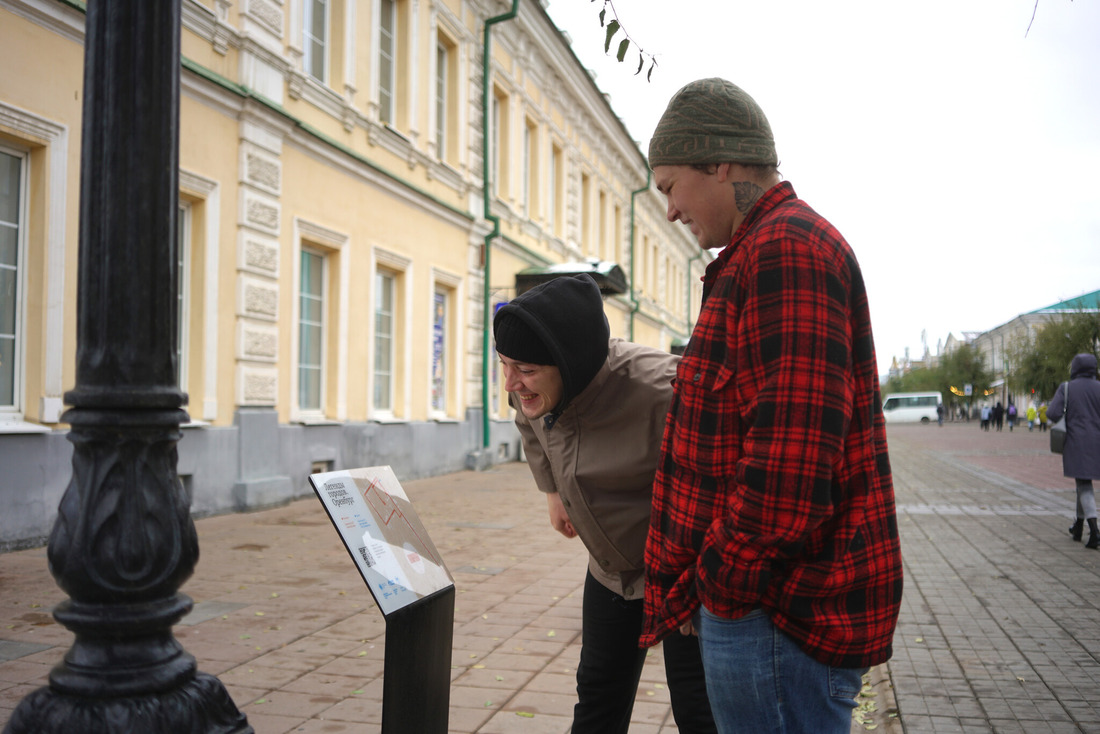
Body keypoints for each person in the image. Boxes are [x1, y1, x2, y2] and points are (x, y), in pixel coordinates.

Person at [640, 78, 903, 734]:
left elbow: (790, 467)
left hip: (779, 617)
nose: (670, 210)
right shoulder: (760, 251)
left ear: (720, 164)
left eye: (670, 186)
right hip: (768, 612)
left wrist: (720, 584)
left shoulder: (787, 250)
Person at [493, 274, 717, 734]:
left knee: (698, 709)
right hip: (611, 572)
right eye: (504, 365)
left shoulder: (667, 391)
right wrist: (553, 492)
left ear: (569, 362)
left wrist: (704, 576)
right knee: (598, 696)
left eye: (526, 369)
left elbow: (721, 485)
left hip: (681, 575)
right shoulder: (531, 391)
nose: (512, 382)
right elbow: (527, 424)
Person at [1047, 353, 1100, 549]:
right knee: (1083, 482)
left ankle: (1094, 531)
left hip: (1078, 441)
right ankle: (1078, 526)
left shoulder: (1067, 388)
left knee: (1084, 484)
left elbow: (1052, 413)